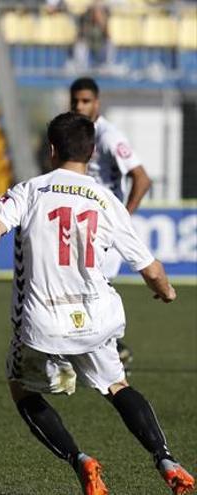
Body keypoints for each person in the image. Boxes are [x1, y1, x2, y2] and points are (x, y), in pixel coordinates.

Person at [0, 112, 194, 495]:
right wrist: (166, 291)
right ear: (92, 152)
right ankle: (165, 458)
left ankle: (81, 460)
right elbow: (150, 268)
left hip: (43, 324)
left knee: (21, 388)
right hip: (96, 319)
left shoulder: (29, 190)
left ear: (50, 151)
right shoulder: (107, 200)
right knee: (117, 385)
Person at [70, 76, 151, 369]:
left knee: (89, 290)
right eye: (76, 100)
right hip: (82, 226)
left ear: (97, 103)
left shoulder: (108, 136)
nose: (80, 106)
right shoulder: (77, 134)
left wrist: (123, 219)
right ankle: (107, 351)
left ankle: (110, 352)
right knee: (78, 289)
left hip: (102, 231)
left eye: (86, 101)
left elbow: (141, 177)